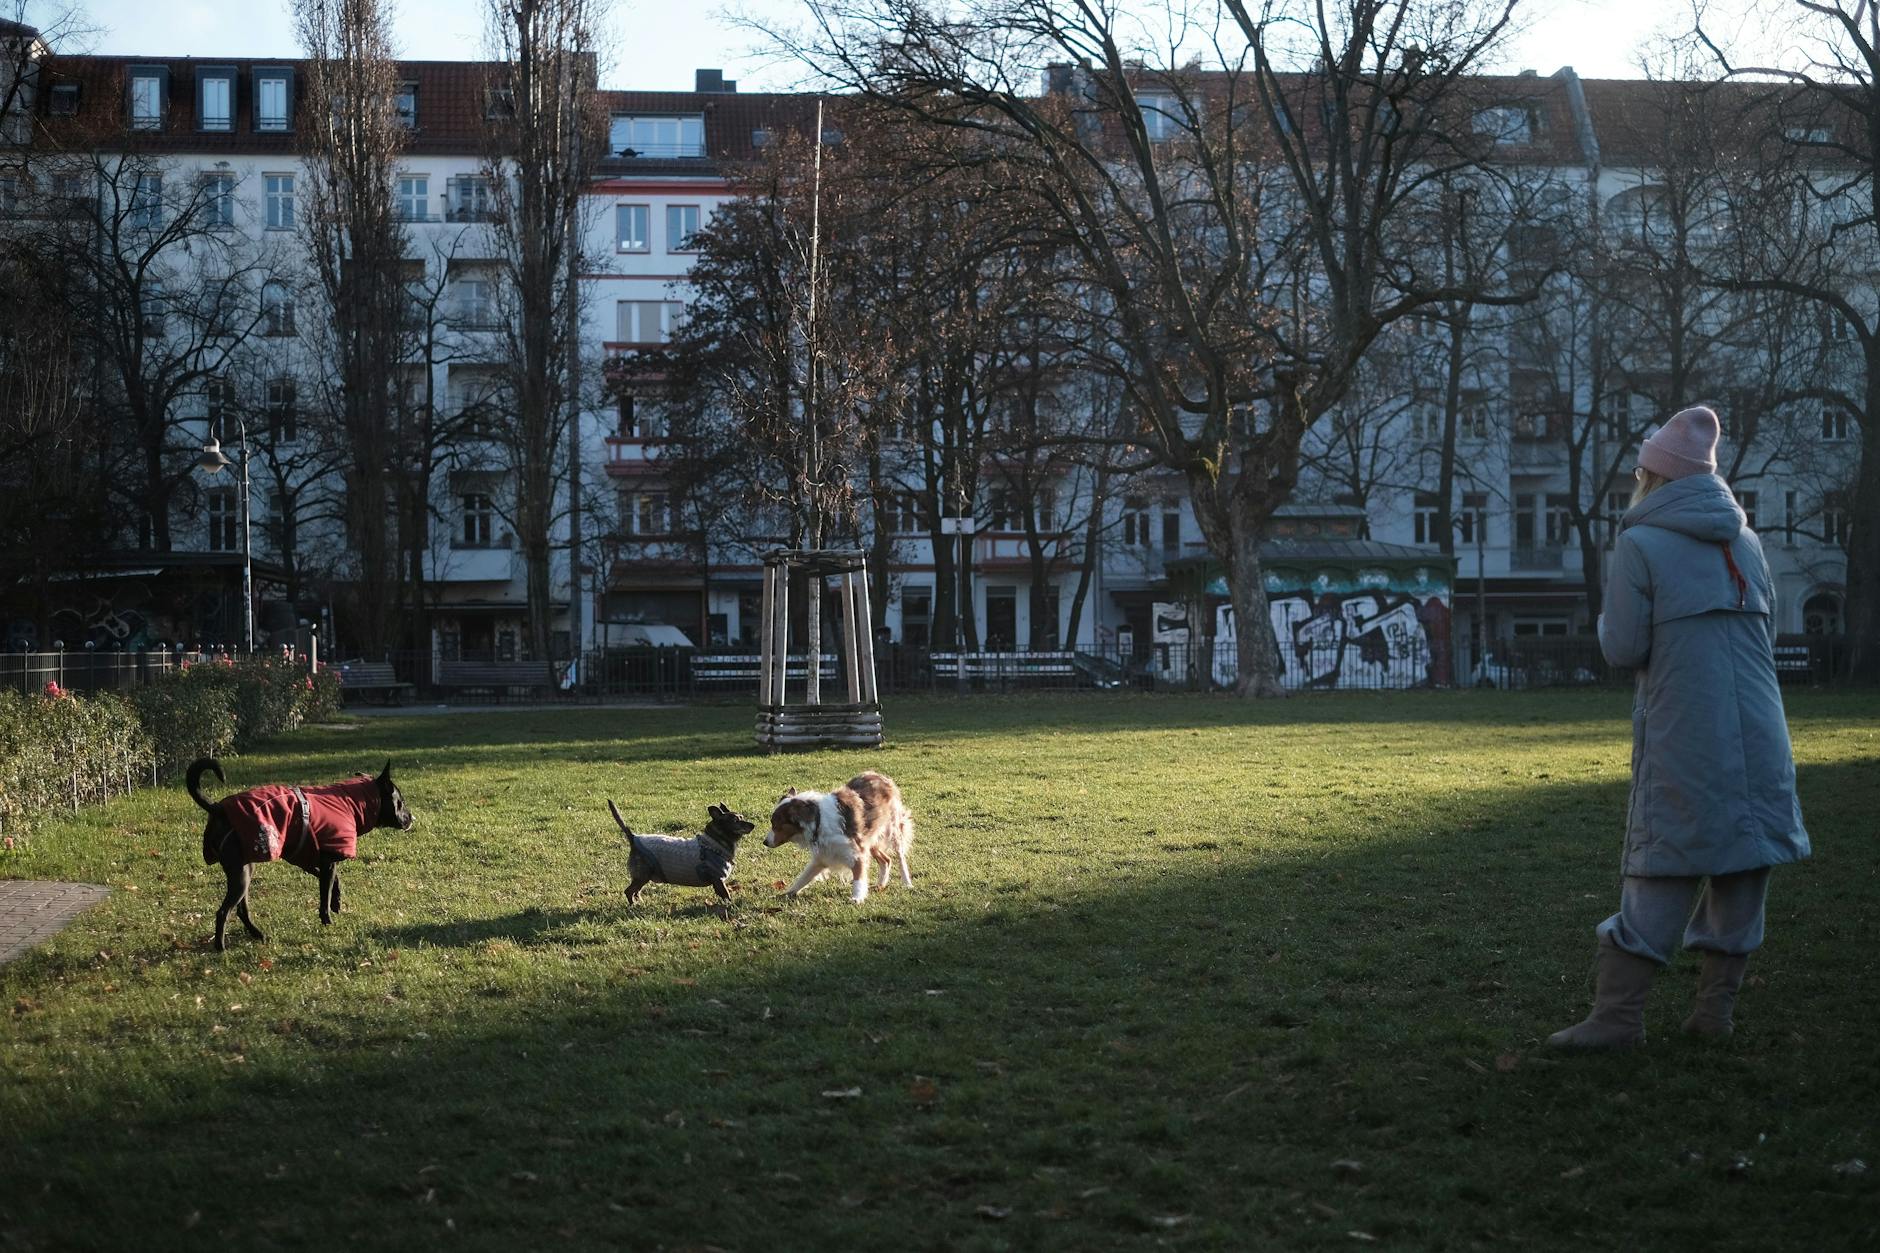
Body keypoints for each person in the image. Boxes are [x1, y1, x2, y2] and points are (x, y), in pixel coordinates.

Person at [1548, 406, 1810, 1049]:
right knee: (1744, 858)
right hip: (1761, 728)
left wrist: (1611, 622)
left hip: (1686, 725)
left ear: (1652, 478)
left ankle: (1617, 1020)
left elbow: (1623, 648)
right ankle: (1714, 1013)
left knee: (1663, 857)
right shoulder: (1747, 543)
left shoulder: (1639, 543)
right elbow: (1767, 636)